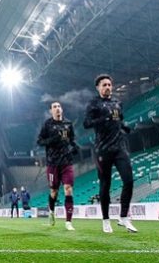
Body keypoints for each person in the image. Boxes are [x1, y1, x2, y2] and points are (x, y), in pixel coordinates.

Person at [84, 74, 137, 233]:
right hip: (102, 150)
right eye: (104, 85)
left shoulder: (117, 103)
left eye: (109, 85)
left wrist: (124, 126)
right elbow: (86, 123)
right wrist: (103, 119)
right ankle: (106, 220)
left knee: (128, 181)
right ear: (98, 87)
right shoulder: (93, 104)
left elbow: (119, 120)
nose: (107, 87)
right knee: (105, 185)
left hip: (120, 147)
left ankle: (124, 217)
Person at [37, 100, 79, 230]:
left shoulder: (68, 124)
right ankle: (51, 211)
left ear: (62, 109)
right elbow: (40, 141)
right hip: (53, 163)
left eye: (59, 106)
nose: (57, 108)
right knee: (54, 191)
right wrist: (51, 140)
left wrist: (75, 146)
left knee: (68, 189)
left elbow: (71, 139)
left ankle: (68, 222)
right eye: (54, 107)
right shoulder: (47, 125)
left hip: (67, 162)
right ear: (51, 111)